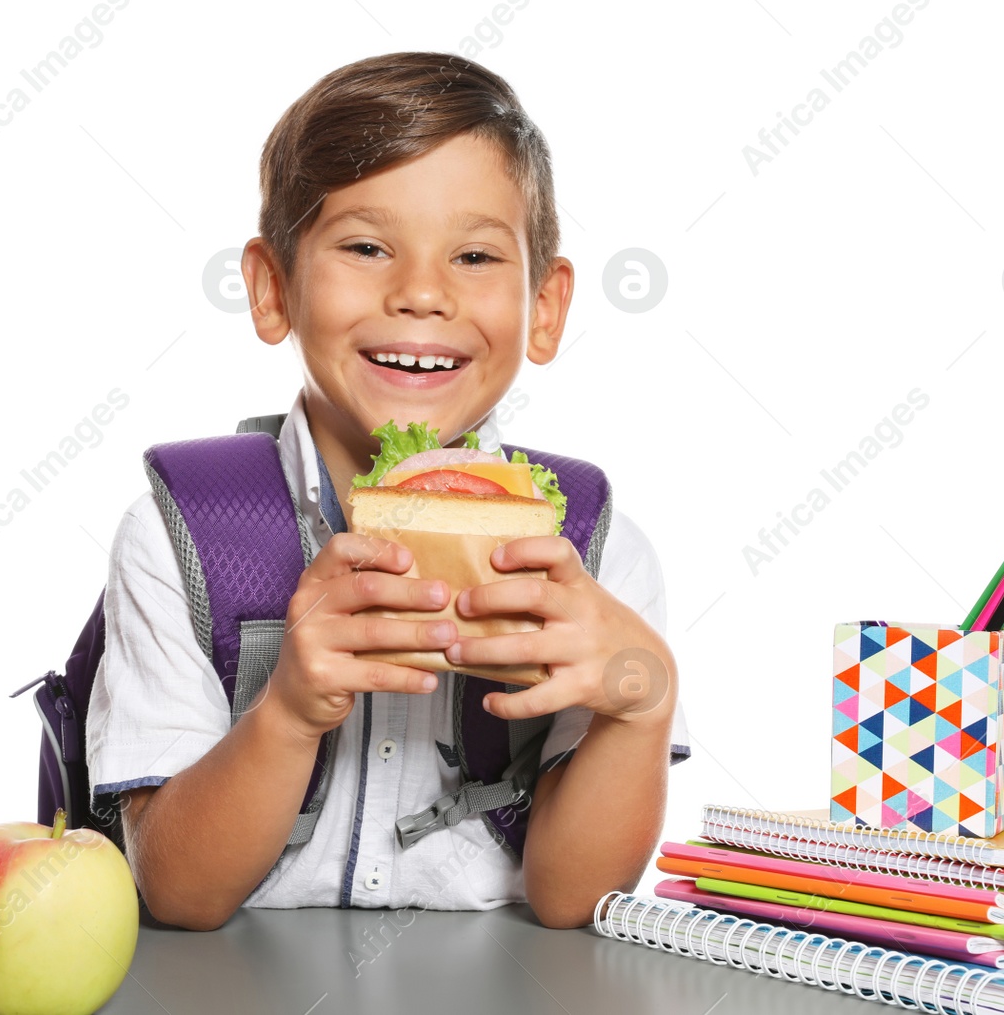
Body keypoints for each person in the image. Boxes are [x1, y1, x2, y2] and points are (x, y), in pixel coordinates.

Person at [86, 51, 690, 930]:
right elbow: (180, 892)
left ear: (545, 305)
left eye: (476, 255)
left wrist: (642, 699)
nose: (420, 294)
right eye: (367, 247)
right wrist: (288, 712)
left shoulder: (593, 552)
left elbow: (572, 901)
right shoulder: (180, 535)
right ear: (272, 287)